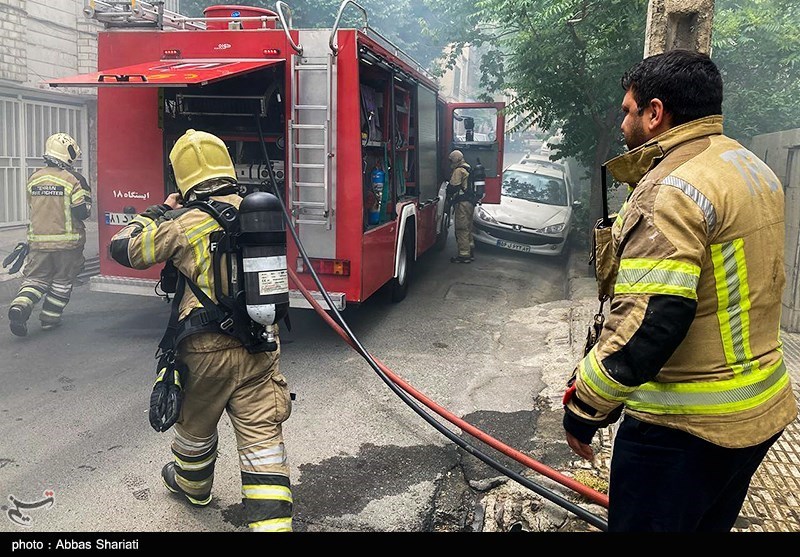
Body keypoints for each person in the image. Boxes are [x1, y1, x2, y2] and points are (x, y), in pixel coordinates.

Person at [562, 49, 798, 532]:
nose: (622, 122)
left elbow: (651, 319)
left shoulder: (671, 188)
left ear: (654, 113)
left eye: (627, 110)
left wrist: (585, 407)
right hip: (759, 413)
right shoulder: (751, 168)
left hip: (683, 430)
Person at [110, 129, 293, 532]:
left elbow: (123, 248)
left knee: (194, 429)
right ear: (225, 166)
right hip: (261, 344)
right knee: (263, 442)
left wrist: (157, 211)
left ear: (183, 177)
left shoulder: (183, 223)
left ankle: (193, 488)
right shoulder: (256, 210)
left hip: (205, 349)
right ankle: (274, 527)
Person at [7, 133, 91, 337]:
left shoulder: (34, 177)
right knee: (62, 282)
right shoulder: (73, 179)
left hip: (38, 243)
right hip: (68, 245)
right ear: (68, 155)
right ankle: (49, 320)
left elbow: (32, 206)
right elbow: (82, 212)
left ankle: (20, 306)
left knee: (35, 280)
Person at [446, 149, 475, 263]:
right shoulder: (468, 167)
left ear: (455, 159)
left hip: (462, 204)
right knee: (468, 228)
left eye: (451, 160)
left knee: (461, 228)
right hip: (470, 203)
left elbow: (453, 186)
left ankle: (464, 255)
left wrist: (448, 194)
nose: (450, 163)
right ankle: (470, 251)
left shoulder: (459, 171)